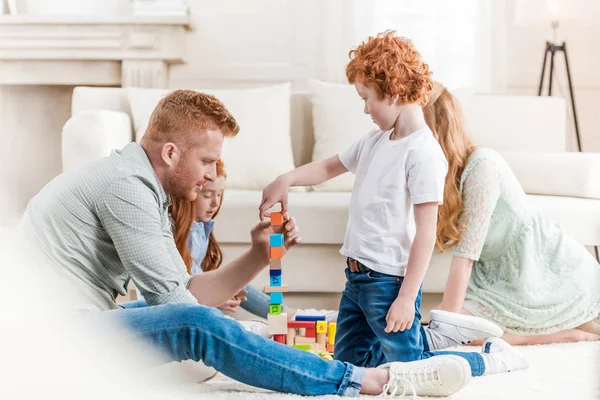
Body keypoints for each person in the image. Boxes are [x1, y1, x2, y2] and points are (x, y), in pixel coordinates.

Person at [16, 88, 476, 397]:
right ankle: (360, 380)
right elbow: (185, 310)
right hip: (55, 336)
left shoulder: (141, 183)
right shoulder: (126, 189)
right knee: (204, 327)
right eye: (207, 160)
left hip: (81, 321)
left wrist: (261, 255)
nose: (211, 175)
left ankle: (280, 349)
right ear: (171, 153)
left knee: (207, 321)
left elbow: (188, 291)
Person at [260, 30, 528, 378]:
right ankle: (436, 336)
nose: (365, 108)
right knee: (353, 368)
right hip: (356, 280)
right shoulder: (375, 141)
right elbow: (329, 167)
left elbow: (425, 234)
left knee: (413, 371)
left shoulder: (423, 153)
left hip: (388, 283)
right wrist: (286, 179)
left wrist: (405, 298)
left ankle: (491, 360)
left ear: (395, 91)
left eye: (367, 98)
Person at [421, 81, 600, 346]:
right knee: (452, 327)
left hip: (544, 273)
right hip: (495, 280)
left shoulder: (483, 167)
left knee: (455, 330)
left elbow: (465, 257)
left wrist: (448, 322)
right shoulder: (441, 175)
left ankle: (560, 335)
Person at [169, 158, 336, 321]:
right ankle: (290, 315)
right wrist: (217, 298)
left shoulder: (201, 227)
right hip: (185, 302)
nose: (215, 203)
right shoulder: (181, 231)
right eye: (207, 195)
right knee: (230, 282)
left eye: (219, 194)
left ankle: (290, 314)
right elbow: (188, 285)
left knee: (237, 280)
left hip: (197, 293)